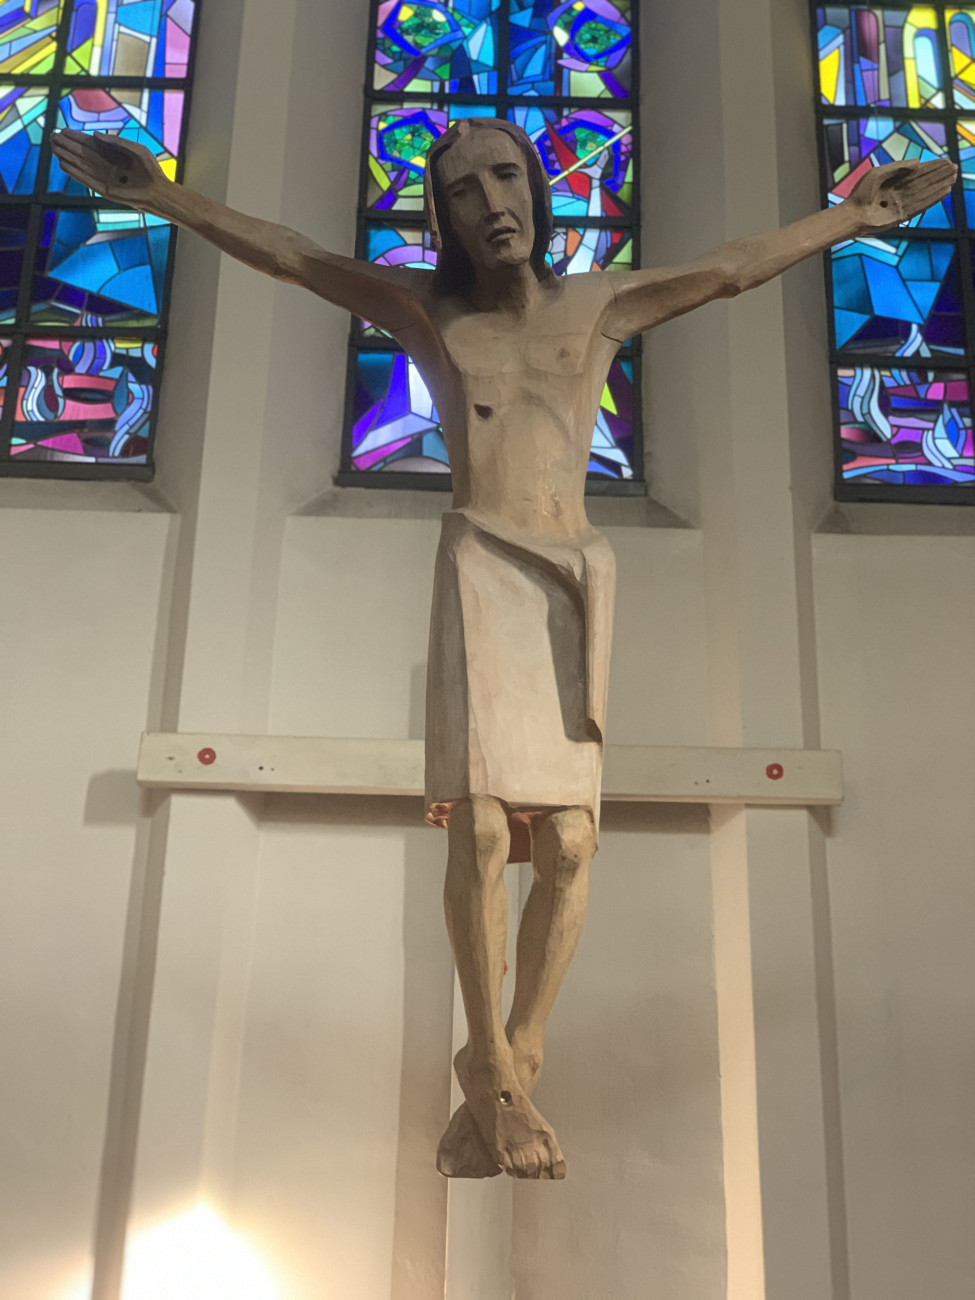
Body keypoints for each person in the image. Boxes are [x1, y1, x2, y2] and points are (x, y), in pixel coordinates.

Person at [51, 120, 954, 1181]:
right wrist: (165, 199)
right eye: (462, 191)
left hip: (575, 571)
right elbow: (295, 256)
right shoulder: (428, 313)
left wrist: (853, 216)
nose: (490, 203)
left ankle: (510, 1057)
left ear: (536, 186)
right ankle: (497, 1071)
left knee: (570, 843)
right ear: (442, 218)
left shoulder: (599, 305)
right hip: (481, 557)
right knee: (481, 825)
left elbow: (726, 270)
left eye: (505, 176)